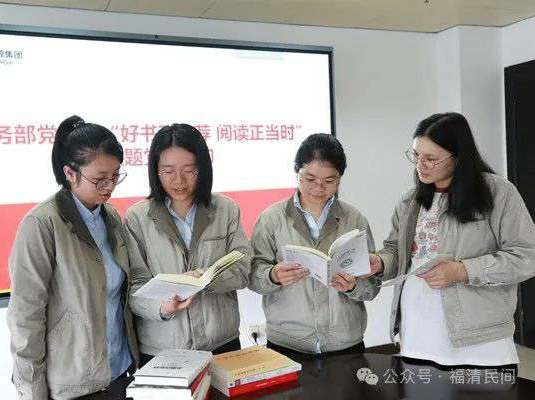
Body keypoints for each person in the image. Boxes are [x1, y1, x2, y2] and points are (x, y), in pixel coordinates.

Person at [366, 112, 535, 366]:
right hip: (416, 335)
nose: (420, 165)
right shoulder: (410, 200)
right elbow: (397, 253)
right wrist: (379, 263)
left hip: (478, 341)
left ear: (458, 157)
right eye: (416, 155)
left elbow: (526, 256)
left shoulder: (497, 192)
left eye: (431, 159)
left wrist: (462, 271)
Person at [7, 116, 138, 399]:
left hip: (119, 372)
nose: (109, 186)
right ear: (70, 172)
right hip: (73, 384)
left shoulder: (111, 217)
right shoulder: (42, 224)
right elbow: (25, 317)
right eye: (99, 178)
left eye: (116, 175)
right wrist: (32, 392)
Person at [125, 123, 251, 365]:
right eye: (168, 171)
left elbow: (244, 269)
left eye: (189, 170)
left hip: (222, 342)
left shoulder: (226, 210)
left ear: (202, 168)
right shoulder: (137, 218)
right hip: (163, 348)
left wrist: (206, 279)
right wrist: (162, 307)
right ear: (155, 170)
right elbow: (134, 286)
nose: (179, 180)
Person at [248, 133, 380, 355]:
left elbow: (373, 285)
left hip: (345, 342)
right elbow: (252, 277)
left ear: (340, 178)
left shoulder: (354, 219)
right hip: (287, 342)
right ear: (296, 171)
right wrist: (273, 276)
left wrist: (353, 287)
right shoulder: (271, 219)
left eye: (329, 181)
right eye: (309, 179)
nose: (319, 188)